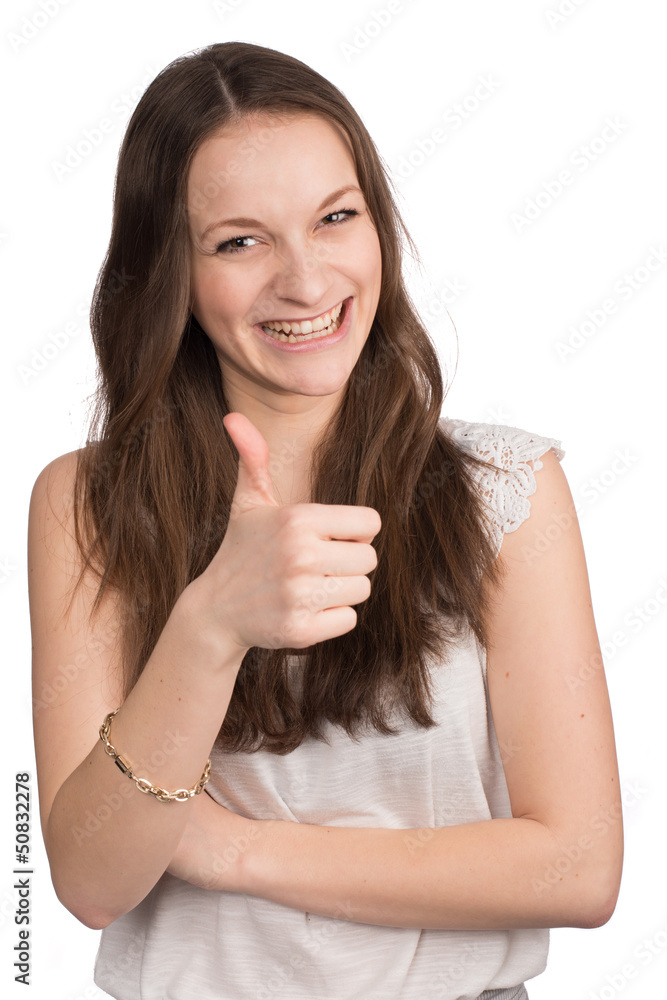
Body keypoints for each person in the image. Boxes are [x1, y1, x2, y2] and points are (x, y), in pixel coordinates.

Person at [27, 40, 623, 1000]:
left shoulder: (504, 490)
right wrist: (211, 623)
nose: (305, 282)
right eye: (240, 241)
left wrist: (235, 854)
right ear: (169, 271)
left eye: (335, 219)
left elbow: (578, 870)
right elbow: (92, 880)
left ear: (376, 226)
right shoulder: (85, 506)